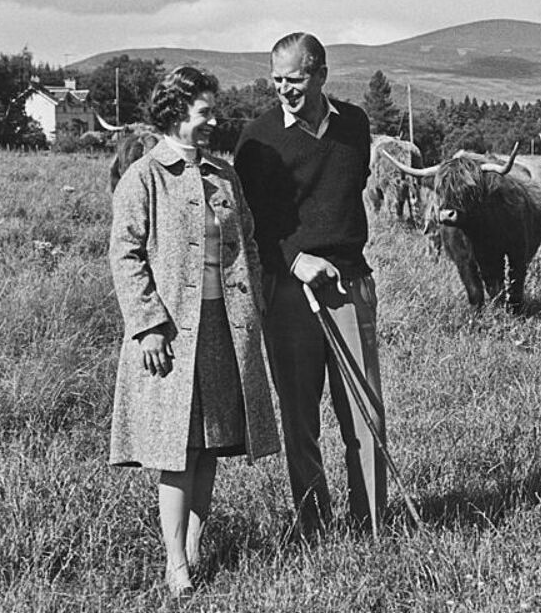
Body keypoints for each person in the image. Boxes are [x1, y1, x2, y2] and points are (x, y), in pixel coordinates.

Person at [108, 66, 280, 596]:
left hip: (225, 332)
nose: (212, 121)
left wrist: (255, 312)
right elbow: (125, 254)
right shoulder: (144, 177)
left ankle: (195, 549)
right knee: (176, 451)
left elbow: (247, 243)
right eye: (204, 112)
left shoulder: (224, 176)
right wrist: (149, 327)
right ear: (176, 114)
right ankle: (175, 563)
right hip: (171, 338)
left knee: (210, 446)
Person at [234, 32, 387, 542]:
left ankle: (371, 526)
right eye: (277, 80)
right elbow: (249, 223)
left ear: (320, 74)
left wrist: (337, 261)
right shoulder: (256, 140)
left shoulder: (355, 126)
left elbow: (348, 195)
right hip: (291, 294)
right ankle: (314, 526)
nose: (284, 90)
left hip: (349, 285)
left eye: (294, 80)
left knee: (365, 417)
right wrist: (295, 260)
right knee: (300, 420)